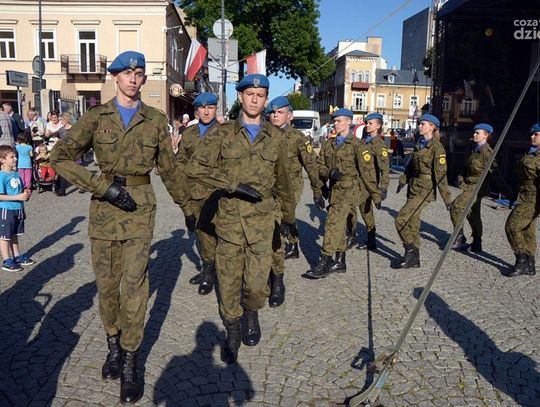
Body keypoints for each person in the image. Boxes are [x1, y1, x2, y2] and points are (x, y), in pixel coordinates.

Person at [51, 51, 190, 403]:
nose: (133, 79)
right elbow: (60, 157)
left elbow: (169, 169)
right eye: (127, 73)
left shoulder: (155, 120)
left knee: (135, 286)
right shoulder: (96, 117)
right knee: (108, 286)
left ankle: (130, 358)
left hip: (140, 209)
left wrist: (189, 207)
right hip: (104, 209)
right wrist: (102, 187)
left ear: (143, 79)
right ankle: (113, 343)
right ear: (115, 77)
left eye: (139, 73)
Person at [185, 74, 295, 365]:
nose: (255, 99)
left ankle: (252, 312)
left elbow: (284, 180)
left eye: (260, 95)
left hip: (262, 222)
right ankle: (233, 329)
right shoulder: (222, 134)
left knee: (257, 285)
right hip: (230, 221)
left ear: (266, 99)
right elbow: (195, 167)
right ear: (241, 97)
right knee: (229, 282)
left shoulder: (276, 137)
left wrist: (289, 217)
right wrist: (232, 184)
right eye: (250, 94)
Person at [306, 108, 380, 279]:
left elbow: (367, 172)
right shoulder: (329, 144)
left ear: (348, 122)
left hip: (349, 191)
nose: (335, 124)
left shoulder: (358, 145)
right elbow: (319, 167)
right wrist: (328, 174)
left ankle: (325, 261)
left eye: (339, 121)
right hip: (334, 191)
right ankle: (340, 261)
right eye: (334, 121)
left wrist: (375, 194)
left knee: (332, 224)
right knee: (339, 225)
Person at [266, 96, 323, 306]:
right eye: (272, 112)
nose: (275, 116)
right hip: (270, 187)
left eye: (280, 112)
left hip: (291, 186)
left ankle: (277, 275)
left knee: (281, 220)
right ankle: (293, 244)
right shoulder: (264, 136)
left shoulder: (298, 138)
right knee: (279, 221)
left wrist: (317, 190)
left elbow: (310, 164)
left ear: (289, 116)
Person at [176, 92, 220, 295]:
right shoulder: (189, 133)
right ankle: (208, 271)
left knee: (220, 234)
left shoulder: (225, 133)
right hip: (194, 193)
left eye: (210, 107)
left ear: (216, 109)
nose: (206, 111)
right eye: (202, 108)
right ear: (196, 111)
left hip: (218, 193)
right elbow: (181, 161)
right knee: (201, 234)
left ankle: (221, 271)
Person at [395, 114, 452, 268]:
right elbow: (410, 166)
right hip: (413, 186)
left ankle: (410, 250)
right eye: (420, 124)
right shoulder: (419, 143)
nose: (419, 126)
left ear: (432, 127)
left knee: (401, 219)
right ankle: (414, 259)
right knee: (413, 222)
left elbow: (441, 175)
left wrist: (447, 199)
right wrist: (403, 180)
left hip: (425, 190)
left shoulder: (437, 148)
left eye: (423, 124)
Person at [450, 123, 496, 252]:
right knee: (472, 214)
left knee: (456, 206)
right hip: (470, 185)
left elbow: (495, 172)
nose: (474, 135)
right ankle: (477, 242)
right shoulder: (475, 149)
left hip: (478, 186)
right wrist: (460, 178)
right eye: (474, 132)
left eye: (477, 133)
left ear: (485, 136)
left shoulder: (487, 152)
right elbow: (467, 167)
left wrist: (505, 190)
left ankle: (459, 236)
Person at [347, 112, 390, 250]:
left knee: (351, 205)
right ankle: (371, 241)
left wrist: (383, 187)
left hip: (368, 183)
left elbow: (384, 168)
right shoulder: (364, 141)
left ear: (378, 126)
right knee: (365, 210)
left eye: (371, 123)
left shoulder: (379, 144)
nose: (367, 126)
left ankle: (352, 236)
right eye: (367, 123)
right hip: (358, 181)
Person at [504, 123, 540, 277]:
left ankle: (522, 261)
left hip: (532, 199)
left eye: (536, 134)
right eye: (531, 134)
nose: (532, 137)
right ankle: (530, 264)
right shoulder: (531, 153)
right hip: (524, 195)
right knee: (527, 230)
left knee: (511, 226)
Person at [0, 145, 34, 272]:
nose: (15, 159)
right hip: (6, 210)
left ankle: (17, 255)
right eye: (12, 157)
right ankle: (6, 260)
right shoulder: (1, 176)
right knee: (5, 236)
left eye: (15, 156)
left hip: (17, 209)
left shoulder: (16, 174)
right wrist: (19, 197)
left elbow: (20, 191)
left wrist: (24, 200)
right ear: (2, 160)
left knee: (14, 234)